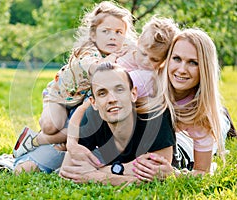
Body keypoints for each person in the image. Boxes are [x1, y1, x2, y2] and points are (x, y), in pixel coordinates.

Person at [12, 1, 138, 158]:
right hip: (60, 95)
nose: (113, 37)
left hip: (81, 98)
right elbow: (97, 69)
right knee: (51, 126)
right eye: (106, 31)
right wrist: (114, 57)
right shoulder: (87, 52)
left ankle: (56, 142)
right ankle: (33, 139)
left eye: (119, 32)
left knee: (85, 125)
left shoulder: (121, 51)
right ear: (93, 34)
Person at [132, 28, 228, 180]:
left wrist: (173, 173)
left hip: (183, 145)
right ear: (167, 59)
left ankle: (225, 118)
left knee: (221, 125)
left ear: (204, 69)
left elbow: (202, 171)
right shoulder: (144, 81)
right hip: (168, 138)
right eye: (176, 58)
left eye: (193, 62)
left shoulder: (201, 115)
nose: (181, 69)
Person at [59, 62, 176, 185]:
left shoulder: (156, 116)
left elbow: (158, 178)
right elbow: (67, 171)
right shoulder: (91, 117)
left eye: (119, 90)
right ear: (94, 103)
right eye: (102, 93)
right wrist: (124, 170)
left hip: (184, 147)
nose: (112, 99)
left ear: (133, 94)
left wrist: (97, 176)